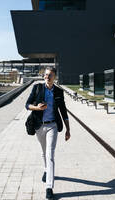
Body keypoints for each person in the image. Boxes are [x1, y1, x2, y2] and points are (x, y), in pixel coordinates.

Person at [25, 67, 70, 200]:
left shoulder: (58, 91)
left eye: (50, 75)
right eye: (45, 75)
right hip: (39, 126)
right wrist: (37, 107)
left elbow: (63, 111)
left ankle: (49, 187)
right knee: (43, 152)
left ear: (54, 77)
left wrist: (68, 129)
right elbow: (27, 105)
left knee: (50, 154)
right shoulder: (37, 88)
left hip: (52, 125)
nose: (47, 77)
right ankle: (46, 170)